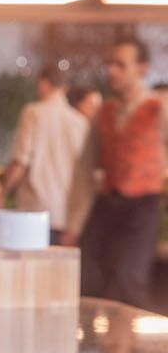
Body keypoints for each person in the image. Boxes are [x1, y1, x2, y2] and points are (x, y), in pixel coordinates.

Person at [65, 34, 168, 308]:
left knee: (127, 278)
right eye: (109, 64)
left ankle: (137, 348)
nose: (111, 70)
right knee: (93, 279)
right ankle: (105, 346)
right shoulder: (105, 112)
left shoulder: (159, 108)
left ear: (142, 69)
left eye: (120, 65)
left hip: (143, 206)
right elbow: (84, 171)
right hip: (107, 204)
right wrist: (72, 227)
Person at [0, 63, 88, 241]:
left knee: (30, 267)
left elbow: (21, 161)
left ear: (43, 83)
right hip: (64, 215)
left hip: (34, 212)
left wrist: (1, 193)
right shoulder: (79, 122)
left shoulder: (33, 113)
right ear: (64, 87)